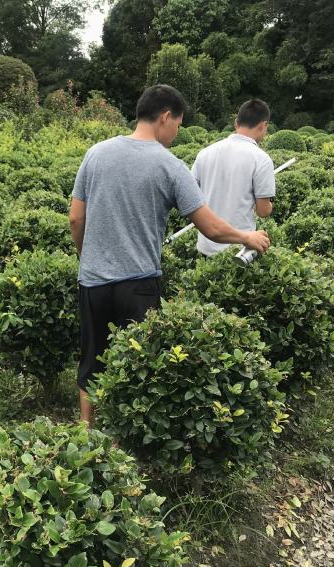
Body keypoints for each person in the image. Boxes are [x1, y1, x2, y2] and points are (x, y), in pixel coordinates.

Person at [69, 85, 271, 426]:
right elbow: (210, 227)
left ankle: (86, 433)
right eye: (177, 124)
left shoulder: (96, 154)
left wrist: (88, 258)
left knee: (92, 361)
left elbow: (76, 218)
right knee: (135, 364)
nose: (177, 132)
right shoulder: (170, 165)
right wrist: (246, 236)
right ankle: (121, 439)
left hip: (94, 280)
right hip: (139, 285)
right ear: (165, 117)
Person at [192, 99, 276, 257]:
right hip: (239, 249)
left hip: (205, 246)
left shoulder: (205, 153)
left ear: (236, 123)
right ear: (264, 125)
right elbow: (263, 211)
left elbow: (191, 196)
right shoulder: (261, 159)